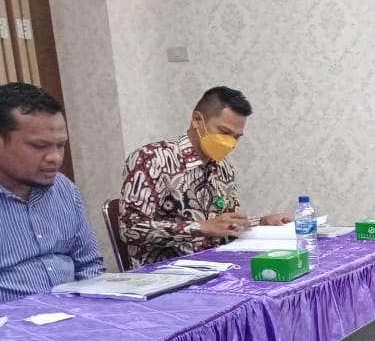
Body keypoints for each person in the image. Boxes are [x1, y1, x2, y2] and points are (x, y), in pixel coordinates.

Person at [118, 86, 291, 267]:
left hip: (216, 267)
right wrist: (201, 228)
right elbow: (129, 229)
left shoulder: (223, 167)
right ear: (197, 120)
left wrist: (262, 222)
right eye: (224, 132)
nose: (230, 143)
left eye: (236, 137)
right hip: (163, 273)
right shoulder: (152, 159)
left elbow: (225, 225)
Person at [0, 82, 104, 303]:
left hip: (76, 313)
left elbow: (89, 265)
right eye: (39, 146)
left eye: (60, 145)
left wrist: (94, 310)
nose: (55, 158)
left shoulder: (63, 188)